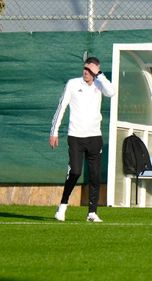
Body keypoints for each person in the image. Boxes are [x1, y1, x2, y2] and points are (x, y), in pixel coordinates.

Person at [49, 57, 115, 222]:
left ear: (96, 71)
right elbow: (61, 107)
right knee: (75, 172)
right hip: (75, 137)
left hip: (94, 137)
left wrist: (99, 74)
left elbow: (112, 92)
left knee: (94, 175)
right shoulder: (73, 84)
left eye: (90, 70)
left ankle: (92, 212)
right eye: (85, 69)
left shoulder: (100, 84)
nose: (86, 72)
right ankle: (62, 206)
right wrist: (54, 132)